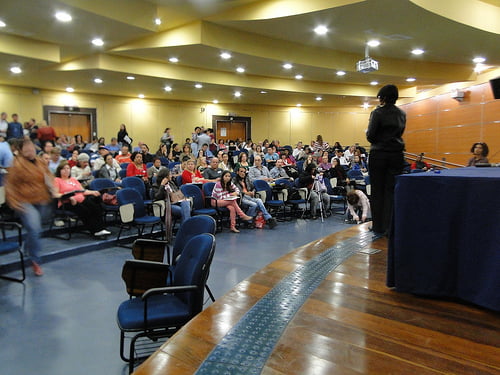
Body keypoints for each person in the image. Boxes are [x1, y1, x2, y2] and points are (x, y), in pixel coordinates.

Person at [4, 139, 57, 276]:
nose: (30, 151)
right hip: (23, 201)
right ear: (21, 151)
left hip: (41, 199)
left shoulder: (40, 161)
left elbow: (48, 176)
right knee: (34, 228)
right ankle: (35, 261)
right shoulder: (16, 165)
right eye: (27, 149)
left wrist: (52, 188)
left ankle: (28, 247)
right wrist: (13, 202)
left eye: (32, 148)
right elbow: (9, 185)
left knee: (36, 228)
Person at [366, 84, 406, 236]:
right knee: (391, 190)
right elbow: (400, 132)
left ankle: (378, 226)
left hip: (379, 154)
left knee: (377, 191)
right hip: (397, 154)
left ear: (382, 97)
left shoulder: (377, 113)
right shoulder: (402, 114)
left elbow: (370, 135)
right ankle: (389, 226)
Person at [54, 161, 110, 237]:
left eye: (68, 168)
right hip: (67, 202)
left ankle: (101, 228)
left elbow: (82, 191)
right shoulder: (57, 180)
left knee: (95, 207)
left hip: (81, 199)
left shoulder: (73, 180)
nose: (66, 170)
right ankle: (94, 230)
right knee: (84, 210)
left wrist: (92, 192)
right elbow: (55, 194)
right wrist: (69, 197)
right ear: (59, 170)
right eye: (64, 169)